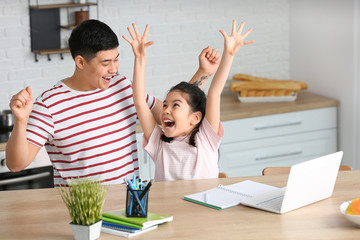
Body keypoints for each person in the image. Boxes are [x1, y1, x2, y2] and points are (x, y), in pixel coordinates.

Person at [5, 19, 220, 186]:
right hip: (83, 213)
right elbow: (16, 164)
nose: (114, 69)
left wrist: (202, 73)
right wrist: (21, 122)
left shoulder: (123, 86)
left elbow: (173, 117)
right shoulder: (50, 104)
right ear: (80, 61)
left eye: (116, 59)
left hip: (130, 208)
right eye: (106, 63)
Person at [124, 20, 254, 181]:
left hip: (204, 206)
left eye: (175, 105)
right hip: (168, 207)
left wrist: (229, 54)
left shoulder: (206, 138)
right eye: (165, 105)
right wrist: (139, 58)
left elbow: (214, 93)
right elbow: (139, 101)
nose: (165, 110)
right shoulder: (159, 143)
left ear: (195, 118)